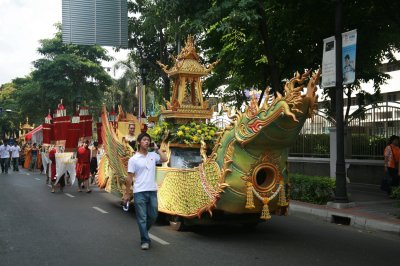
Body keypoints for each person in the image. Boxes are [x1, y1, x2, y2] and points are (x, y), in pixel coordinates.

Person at [123, 133, 167, 250]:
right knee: (142, 218)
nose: (147, 142)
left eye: (148, 140)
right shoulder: (133, 159)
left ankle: (144, 232)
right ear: (139, 142)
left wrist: (157, 149)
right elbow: (129, 177)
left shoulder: (153, 155)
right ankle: (145, 240)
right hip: (139, 192)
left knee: (153, 215)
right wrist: (127, 194)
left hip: (152, 190)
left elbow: (164, 159)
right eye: (144, 140)